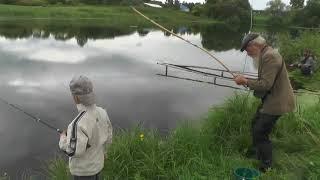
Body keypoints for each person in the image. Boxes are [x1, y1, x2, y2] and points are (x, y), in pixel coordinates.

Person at [234, 33, 295, 172]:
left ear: (254, 45)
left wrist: (245, 81)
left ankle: (267, 166)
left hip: (277, 102)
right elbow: (267, 81)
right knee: (255, 123)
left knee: (260, 132)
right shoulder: (266, 53)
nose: (247, 53)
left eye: (247, 49)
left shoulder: (270, 56)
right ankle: (258, 154)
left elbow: (266, 84)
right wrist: (246, 79)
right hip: (270, 98)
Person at [59, 75, 113, 180]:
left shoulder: (77, 124)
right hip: (98, 164)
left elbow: (73, 151)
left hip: (83, 172)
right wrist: (105, 152)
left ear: (75, 97)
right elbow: (109, 135)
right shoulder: (102, 112)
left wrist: (63, 139)